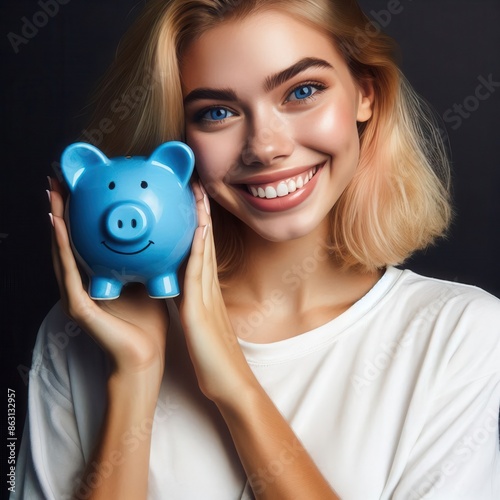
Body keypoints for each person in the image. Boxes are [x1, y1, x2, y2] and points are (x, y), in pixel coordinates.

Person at [13, 0, 500, 499]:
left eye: (302, 91)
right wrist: (134, 377)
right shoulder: (87, 333)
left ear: (365, 95)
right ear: (179, 144)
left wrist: (235, 386)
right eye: (217, 112)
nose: (265, 146)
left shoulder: (460, 334)